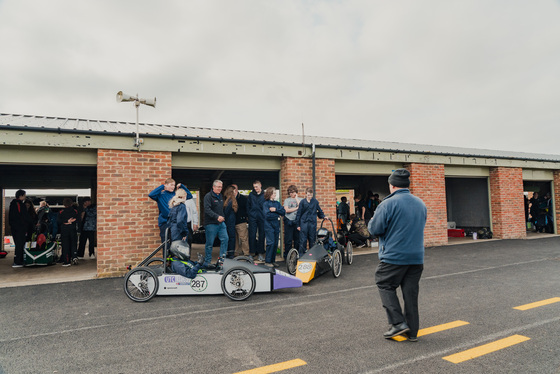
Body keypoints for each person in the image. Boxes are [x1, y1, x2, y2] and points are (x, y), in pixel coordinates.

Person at [368, 169, 427, 342]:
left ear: (392, 185)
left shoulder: (387, 204)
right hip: (416, 257)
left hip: (394, 256)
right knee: (410, 293)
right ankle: (413, 331)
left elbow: (375, 229)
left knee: (384, 282)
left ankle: (398, 323)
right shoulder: (420, 203)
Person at [167, 189, 204, 278]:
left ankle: (174, 268)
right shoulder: (182, 206)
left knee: (174, 250)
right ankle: (184, 270)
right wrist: (184, 233)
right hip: (179, 231)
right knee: (180, 251)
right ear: (184, 196)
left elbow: (170, 220)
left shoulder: (174, 205)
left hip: (173, 230)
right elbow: (180, 221)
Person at [148, 178, 193, 243]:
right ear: (166, 185)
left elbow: (189, 196)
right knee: (165, 243)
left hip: (175, 223)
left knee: (175, 244)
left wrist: (181, 186)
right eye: (171, 185)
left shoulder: (175, 195)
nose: (173, 187)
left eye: (174, 185)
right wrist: (162, 187)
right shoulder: (160, 195)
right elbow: (151, 194)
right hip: (164, 222)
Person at [202, 180, 228, 268]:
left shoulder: (220, 196)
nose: (220, 189)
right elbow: (207, 209)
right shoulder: (208, 196)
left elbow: (221, 209)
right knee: (210, 243)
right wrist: (217, 217)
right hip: (211, 224)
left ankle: (222, 260)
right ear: (213, 187)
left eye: (221, 187)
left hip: (221, 224)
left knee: (225, 239)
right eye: (218, 187)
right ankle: (207, 261)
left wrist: (222, 217)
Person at [296, 187, 326, 255]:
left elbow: (319, 210)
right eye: (308, 195)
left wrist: (323, 216)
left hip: (312, 223)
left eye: (311, 195)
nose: (309, 196)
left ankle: (312, 255)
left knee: (312, 239)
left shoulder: (315, 202)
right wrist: (298, 225)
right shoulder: (302, 202)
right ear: (306, 194)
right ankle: (301, 256)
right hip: (304, 223)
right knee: (303, 240)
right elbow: (299, 214)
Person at [9, 189, 32, 268]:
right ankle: (18, 261)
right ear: (21, 196)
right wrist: (31, 223)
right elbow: (24, 216)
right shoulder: (20, 204)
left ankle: (18, 260)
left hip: (14, 228)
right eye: (24, 195)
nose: (25, 197)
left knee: (17, 244)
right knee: (20, 244)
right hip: (20, 228)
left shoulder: (12, 204)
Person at [263, 187, 286, 267]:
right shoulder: (265, 203)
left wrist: (275, 210)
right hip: (268, 225)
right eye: (274, 193)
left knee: (275, 243)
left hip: (276, 224)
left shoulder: (277, 203)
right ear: (270, 194)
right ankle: (267, 261)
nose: (275, 195)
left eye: (275, 193)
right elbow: (267, 216)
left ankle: (272, 261)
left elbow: (283, 212)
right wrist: (277, 214)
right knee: (270, 242)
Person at [58, 198, 80, 266]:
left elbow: (58, 221)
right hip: (73, 229)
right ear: (71, 204)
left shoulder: (61, 212)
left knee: (65, 245)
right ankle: (74, 256)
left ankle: (67, 261)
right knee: (73, 243)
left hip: (64, 230)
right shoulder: (75, 211)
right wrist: (72, 221)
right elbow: (79, 219)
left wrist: (66, 222)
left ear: (64, 204)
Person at [247, 180, 265, 262]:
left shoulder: (265, 195)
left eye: (256, 187)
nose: (255, 188)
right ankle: (252, 253)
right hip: (253, 217)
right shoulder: (251, 195)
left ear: (260, 185)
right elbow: (248, 205)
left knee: (262, 235)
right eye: (254, 187)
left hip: (262, 217)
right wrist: (250, 214)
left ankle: (260, 253)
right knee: (252, 235)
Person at [283, 185, 301, 259]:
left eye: (293, 192)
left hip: (297, 222)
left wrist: (296, 198)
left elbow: (301, 208)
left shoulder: (300, 199)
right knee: (288, 240)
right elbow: (286, 210)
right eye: (290, 192)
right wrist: (297, 208)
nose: (291, 194)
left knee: (297, 240)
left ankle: (296, 256)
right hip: (289, 221)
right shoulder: (287, 200)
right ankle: (287, 256)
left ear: (296, 192)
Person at [232, 184, 250, 257]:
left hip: (241, 221)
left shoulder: (243, 198)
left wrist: (245, 218)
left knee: (244, 238)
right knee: (234, 239)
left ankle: (246, 253)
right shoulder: (229, 198)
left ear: (236, 189)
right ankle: (235, 253)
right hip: (232, 222)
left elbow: (247, 209)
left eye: (233, 188)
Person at [223, 185, 238, 259]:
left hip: (229, 222)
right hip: (230, 222)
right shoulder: (231, 201)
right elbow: (227, 212)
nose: (236, 193)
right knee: (231, 238)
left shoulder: (229, 200)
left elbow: (226, 212)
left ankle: (229, 253)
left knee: (230, 238)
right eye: (235, 191)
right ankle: (230, 253)